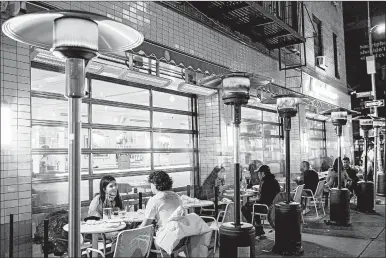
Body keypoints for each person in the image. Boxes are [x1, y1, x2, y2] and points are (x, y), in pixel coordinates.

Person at [241, 165, 280, 237]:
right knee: (250, 205)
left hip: (266, 207)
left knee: (245, 208)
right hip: (273, 206)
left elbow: (262, 200)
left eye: (259, 173)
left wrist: (254, 200)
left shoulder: (264, 182)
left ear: (263, 173)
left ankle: (254, 227)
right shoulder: (275, 181)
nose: (258, 175)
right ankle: (258, 227)